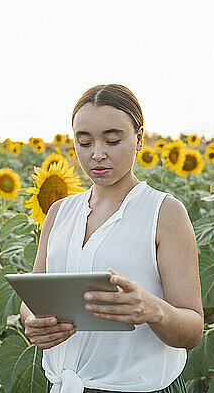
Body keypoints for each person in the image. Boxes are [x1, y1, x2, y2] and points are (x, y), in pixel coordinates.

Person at [19, 84, 203, 393]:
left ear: (139, 139)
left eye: (113, 140)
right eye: (85, 141)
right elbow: (34, 296)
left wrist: (152, 309)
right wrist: (34, 323)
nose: (98, 154)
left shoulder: (164, 213)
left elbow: (193, 330)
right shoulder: (58, 212)